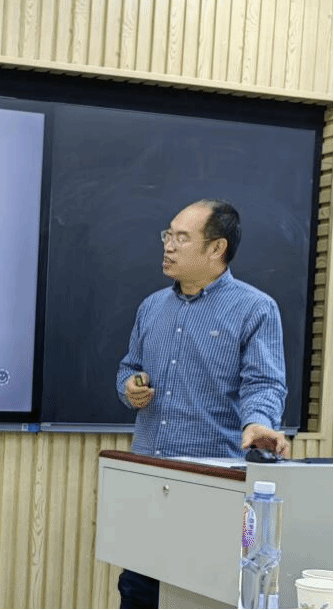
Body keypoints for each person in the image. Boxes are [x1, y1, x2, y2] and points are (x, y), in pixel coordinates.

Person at [114, 199, 291, 609]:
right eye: (168, 235)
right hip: (149, 481)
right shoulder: (151, 307)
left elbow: (264, 382)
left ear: (216, 248)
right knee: (138, 592)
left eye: (182, 237)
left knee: (202, 595)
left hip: (211, 485)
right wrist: (130, 386)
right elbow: (129, 368)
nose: (168, 246)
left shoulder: (255, 308)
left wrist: (258, 421)